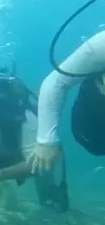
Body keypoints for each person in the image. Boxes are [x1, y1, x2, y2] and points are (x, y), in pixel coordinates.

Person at [29, 30, 105, 174]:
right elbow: (56, 82)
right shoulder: (102, 45)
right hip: (95, 126)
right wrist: (46, 141)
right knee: (96, 145)